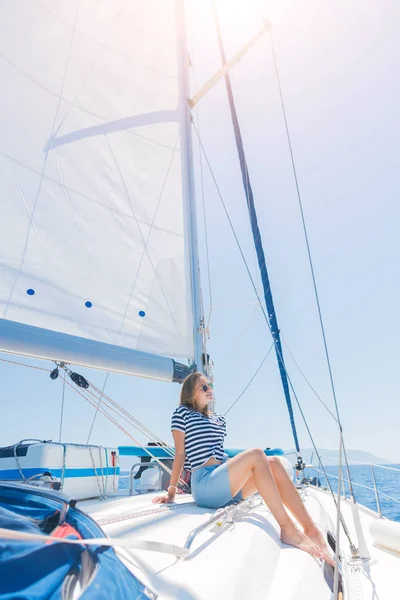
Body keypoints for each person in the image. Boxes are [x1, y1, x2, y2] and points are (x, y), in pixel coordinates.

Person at [152, 372, 333, 564]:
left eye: (210, 385)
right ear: (191, 393)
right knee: (256, 454)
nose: (209, 390)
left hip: (226, 486)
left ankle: (310, 529)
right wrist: (171, 492)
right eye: (204, 387)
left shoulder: (219, 420)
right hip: (205, 484)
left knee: (274, 463)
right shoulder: (182, 414)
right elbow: (180, 454)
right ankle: (288, 528)